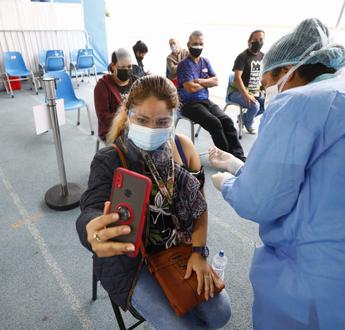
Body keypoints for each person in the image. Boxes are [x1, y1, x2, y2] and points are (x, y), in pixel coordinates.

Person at [208, 18, 345, 330]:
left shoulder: (298, 103)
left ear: (288, 70)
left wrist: (230, 183)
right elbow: (333, 178)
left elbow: (259, 200)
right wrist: (237, 164)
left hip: (338, 291)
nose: (268, 91)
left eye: (268, 82)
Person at [77, 75, 232, 329]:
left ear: (173, 120)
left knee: (221, 314)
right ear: (128, 116)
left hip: (176, 248)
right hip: (131, 262)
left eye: (162, 122)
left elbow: (199, 208)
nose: (151, 129)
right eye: (142, 120)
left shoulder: (182, 150)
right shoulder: (111, 160)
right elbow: (91, 208)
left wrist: (198, 252)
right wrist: (91, 228)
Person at [177, 30, 245, 161]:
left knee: (227, 121)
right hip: (189, 104)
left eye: (200, 44)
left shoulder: (205, 61)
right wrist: (207, 82)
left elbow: (216, 81)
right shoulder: (184, 65)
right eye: (195, 44)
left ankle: (238, 156)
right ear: (188, 44)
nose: (198, 47)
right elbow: (190, 88)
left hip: (205, 100)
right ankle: (226, 158)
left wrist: (200, 81)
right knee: (214, 123)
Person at [94, 48, 137, 142]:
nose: (127, 70)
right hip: (113, 130)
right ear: (113, 66)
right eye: (122, 67)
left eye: (129, 67)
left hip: (136, 126)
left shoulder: (136, 81)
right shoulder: (102, 86)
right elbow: (103, 117)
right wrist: (127, 117)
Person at [227, 30, 266, 134]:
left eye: (261, 39)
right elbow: (237, 78)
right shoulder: (242, 56)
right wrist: (246, 95)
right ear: (249, 41)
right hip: (237, 92)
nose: (258, 42)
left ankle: (244, 117)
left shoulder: (263, 56)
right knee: (255, 106)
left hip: (254, 90)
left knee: (266, 104)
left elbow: (263, 76)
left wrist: (265, 90)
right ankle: (248, 124)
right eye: (255, 39)